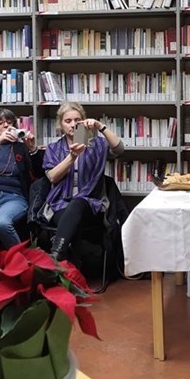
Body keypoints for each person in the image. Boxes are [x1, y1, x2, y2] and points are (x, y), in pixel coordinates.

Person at [41, 101, 124, 261]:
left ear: (84, 121)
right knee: (72, 223)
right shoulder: (53, 148)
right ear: (61, 124)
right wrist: (72, 157)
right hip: (60, 204)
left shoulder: (97, 144)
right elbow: (52, 177)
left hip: (91, 204)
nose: (73, 125)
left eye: (77, 120)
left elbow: (119, 149)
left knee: (78, 203)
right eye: (68, 121)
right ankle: (71, 260)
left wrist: (100, 126)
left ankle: (56, 256)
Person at [0, 108, 43, 249]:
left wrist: (33, 149)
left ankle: (22, 257)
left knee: (2, 223)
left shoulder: (22, 148)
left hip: (15, 197)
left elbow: (39, 174)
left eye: (9, 122)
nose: (6, 125)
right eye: (0, 123)